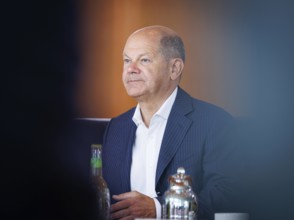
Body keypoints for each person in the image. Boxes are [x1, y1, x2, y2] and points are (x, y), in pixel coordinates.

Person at [102, 25, 236, 220]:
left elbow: (227, 194)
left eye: (144, 60)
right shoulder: (116, 128)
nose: (131, 69)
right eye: (127, 60)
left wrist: (160, 210)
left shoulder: (214, 123)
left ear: (174, 68)